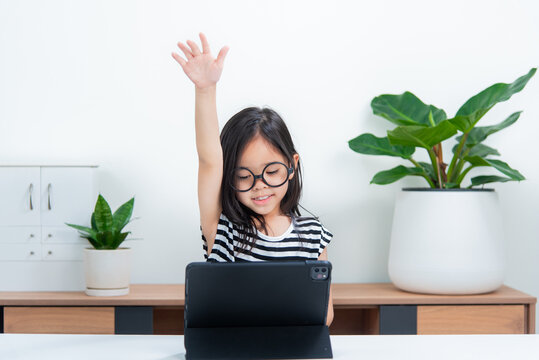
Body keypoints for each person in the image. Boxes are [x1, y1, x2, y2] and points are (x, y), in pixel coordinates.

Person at [172, 33, 334, 325]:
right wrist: (206, 90)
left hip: (290, 344)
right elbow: (209, 160)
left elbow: (324, 313)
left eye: (272, 172)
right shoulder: (222, 228)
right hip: (229, 343)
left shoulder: (313, 234)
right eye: (244, 176)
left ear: (292, 166)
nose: (260, 185)